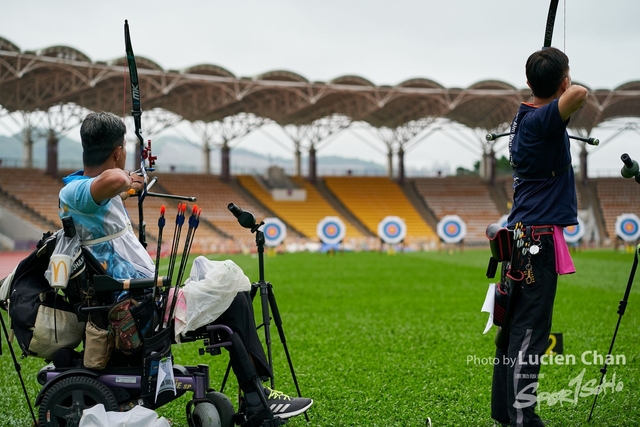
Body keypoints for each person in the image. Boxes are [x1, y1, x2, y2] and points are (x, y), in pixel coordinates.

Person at [59, 111, 312, 420]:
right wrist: (128, 177)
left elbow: (109, 188)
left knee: (231, 288)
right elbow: (111, 180)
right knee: (231, 289)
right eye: (123, 146)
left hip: (145, 297)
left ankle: (257, 398)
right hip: (136, 308)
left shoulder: (91, 192)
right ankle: (257, 400)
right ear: (117, 151)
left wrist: (131, 186)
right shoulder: (75, 191)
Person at [490, 48, 588, 427]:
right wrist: (561, 83)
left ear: (529, 84)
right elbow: (578, 94)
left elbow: (562, 95)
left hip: (522, 237)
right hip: (536, 242)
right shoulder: (540, 122)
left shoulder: (525, 116)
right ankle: (521, 417)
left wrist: (548, 81)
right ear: (561, 82)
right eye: (566, 75)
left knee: (514, 328)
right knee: (531, 333)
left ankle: (506, 410)